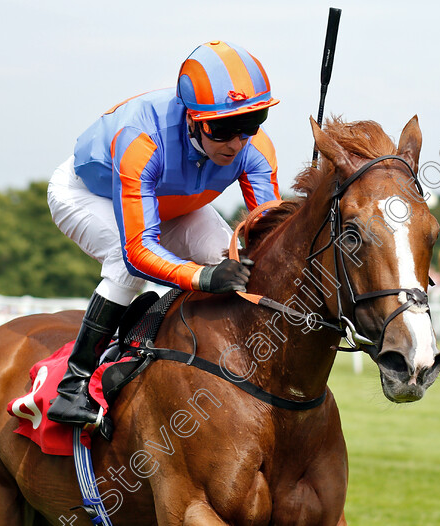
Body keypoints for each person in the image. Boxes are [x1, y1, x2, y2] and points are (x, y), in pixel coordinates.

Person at [46, 41, 281, 425]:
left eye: (250, 125)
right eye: (222, 129)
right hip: (89, 195)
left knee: (231, 258)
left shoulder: (255, 150)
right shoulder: (140, 141)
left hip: (174, 202)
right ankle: (74, 384)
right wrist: (203, 278)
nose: (237, 142)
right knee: (127, 268)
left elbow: (266, 233)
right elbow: (138, 250)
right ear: (192, 119)